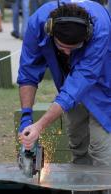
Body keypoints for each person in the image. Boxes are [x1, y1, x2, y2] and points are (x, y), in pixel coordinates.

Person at [17, 1, 111, 191]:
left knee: (102, 153)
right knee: (78, 144)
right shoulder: (38, 24)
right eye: (62, 46)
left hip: (104, 85)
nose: (67, 52)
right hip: (68, 84)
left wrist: (40, 125)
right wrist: (26, 116)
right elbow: (28, 72)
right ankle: (84, 189)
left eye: (74, 47)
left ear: (88, 34)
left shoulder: (100, 28)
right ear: (50, 30)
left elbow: (81, 81)